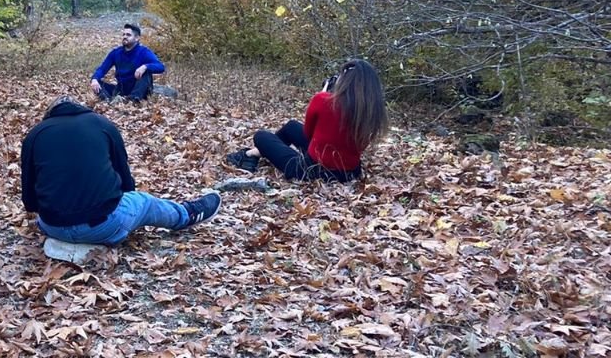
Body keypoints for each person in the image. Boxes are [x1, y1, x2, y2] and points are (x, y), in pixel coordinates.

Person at [20, 96, 221, 245]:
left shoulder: (34, 135)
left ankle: (72, 239)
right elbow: (127, 185)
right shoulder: (102, 124)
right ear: (79, 108)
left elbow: (29, 202)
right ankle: (188, 214)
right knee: (144, 202)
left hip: (52, 227)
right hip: (102, 226)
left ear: (49, 115)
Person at [226, 59, 389, 182]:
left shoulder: (323, 100)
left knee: (261, 136)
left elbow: (309, 133)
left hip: (311, 170)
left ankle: (250, 154)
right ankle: (256, 154)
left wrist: (323, 94)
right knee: (291, 126)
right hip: (351, 172)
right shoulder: (373, 112)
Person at [89, 24, 165, 102]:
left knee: (146, 73)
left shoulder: (144, 52)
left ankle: (132, 101)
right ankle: (109, 101)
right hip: (122, 88)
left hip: (139, 89)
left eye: (128, 35)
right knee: (98, 83)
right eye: (124, 34)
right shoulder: (116, 53)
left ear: (137, 38)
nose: (125, 37)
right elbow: (102, 69)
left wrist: (145, 66)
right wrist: (95, 79)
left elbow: (161, 67)